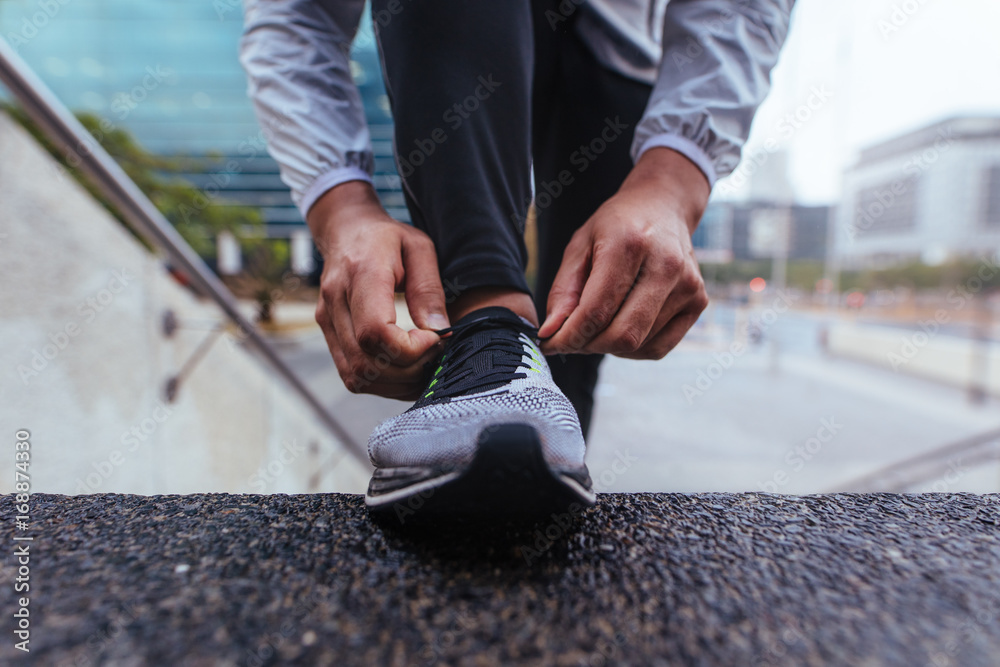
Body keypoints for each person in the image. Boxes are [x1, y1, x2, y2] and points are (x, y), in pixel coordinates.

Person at [240, 0, 795, 520]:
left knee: (573, 353)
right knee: (508, 351)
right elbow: (297, 13)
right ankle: (487, 336)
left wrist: (671, 187)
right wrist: (343, 212)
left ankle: (530, 461)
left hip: (625, 56)